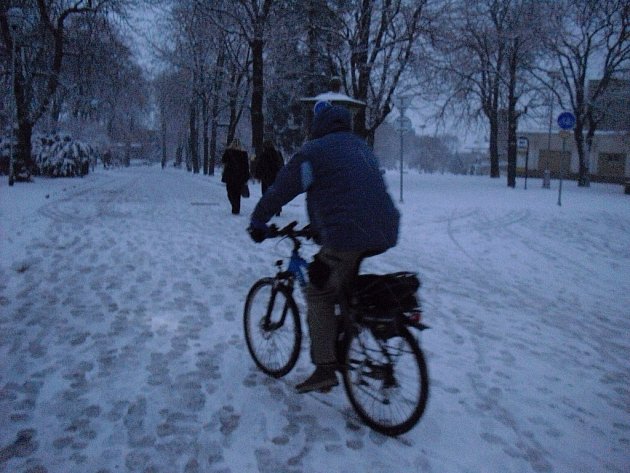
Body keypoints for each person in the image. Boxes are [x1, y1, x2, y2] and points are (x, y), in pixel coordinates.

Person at [247, 101, 400, 394]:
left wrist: (258, 220)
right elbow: (348, 191)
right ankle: (349, 331)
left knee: (318, 292)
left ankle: (325, 369)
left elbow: (282, 187)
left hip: (347, 234)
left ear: (317, 125)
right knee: (344, 285)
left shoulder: (314, 153)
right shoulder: (360, 147)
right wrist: (320, 226)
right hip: (384, 230)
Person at [253, 139, 284, 215]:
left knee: (265, 193)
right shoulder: (277, 154)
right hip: (276, 177)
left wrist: (258, 176)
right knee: (276, 193)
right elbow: (281, 164)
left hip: (266, 177)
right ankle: (277, 209)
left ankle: (268, 208)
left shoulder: (263, 155)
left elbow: (260, 166)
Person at [221, 138, 250, 215]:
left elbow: (223, 160)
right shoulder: (243, 154)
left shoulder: (230, 152)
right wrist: (246, 176)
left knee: (231, 193)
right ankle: (236, 208)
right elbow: (246, 166)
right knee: (235, 194)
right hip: (238, 177)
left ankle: (235, 208)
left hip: (232, 177)